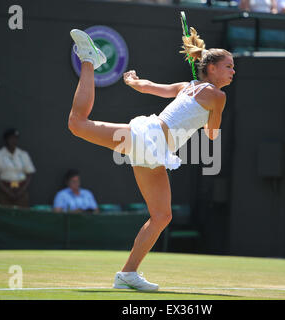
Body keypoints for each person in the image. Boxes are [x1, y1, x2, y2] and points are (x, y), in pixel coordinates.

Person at [68, 27, 234, 291]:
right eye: (228, 66)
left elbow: (149, 87)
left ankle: (127, 274)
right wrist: (213, 115)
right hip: (150, 138)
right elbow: (212, 134)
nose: (232, 71)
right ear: (211, 68)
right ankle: (89, 58)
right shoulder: (218, 96)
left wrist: (134, 81)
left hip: (156, 150)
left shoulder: (187, 86)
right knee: (77, 124)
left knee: (161, 216)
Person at [0, 128, 36, 208]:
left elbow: (29, 174)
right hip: (3, 189)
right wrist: (7, 191)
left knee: (22, 213)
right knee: (2, 212)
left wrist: (22, 190)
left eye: (16, 138)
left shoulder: (23, 154)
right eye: (11, 138)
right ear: (6, 140)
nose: (13, 141)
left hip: (20, 189)